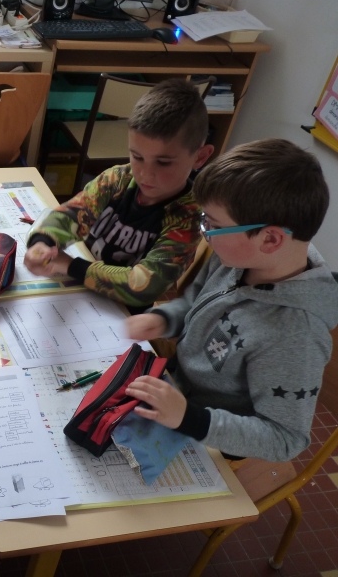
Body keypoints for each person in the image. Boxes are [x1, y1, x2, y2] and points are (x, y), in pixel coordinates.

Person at [124, 139, 338, 462]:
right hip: (176, 391)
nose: (205, 233)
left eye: (214, 226)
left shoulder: (296, 335)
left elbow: (285, 439)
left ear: (270, 238)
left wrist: (190, 417)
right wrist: (166, 318)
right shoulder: (241, 257)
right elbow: (198, 297)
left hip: (214, 439)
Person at [24, 78, 214, 311]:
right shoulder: (118, 179)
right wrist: (43, 243)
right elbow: (70, 214)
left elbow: (145, 285)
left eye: (163, 162)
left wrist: (70, 265)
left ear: (200, 157)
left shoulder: (189, 216)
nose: (145, 174)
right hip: (77, 292)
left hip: (121, 312)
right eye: (137, 156)